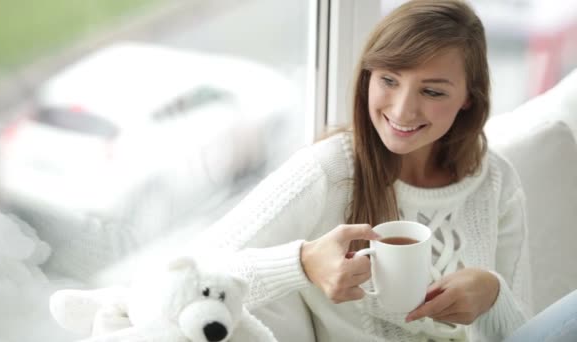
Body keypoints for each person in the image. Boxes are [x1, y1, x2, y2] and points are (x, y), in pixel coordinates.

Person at [86, 0, 576, 341]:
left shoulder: (495, 182)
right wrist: (301, 263)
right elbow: (186, 273)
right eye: (388, 79)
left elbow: (521, 333)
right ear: (368, 76)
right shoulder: (333, 170)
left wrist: (492, 294)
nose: (403, 110)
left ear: (468, 99)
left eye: (432, 90)